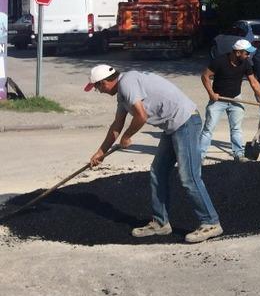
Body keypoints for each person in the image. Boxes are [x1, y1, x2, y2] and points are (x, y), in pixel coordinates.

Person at [86, 64, 222, 243]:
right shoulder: (123, 95)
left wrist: (127, 137)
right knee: (158, 172)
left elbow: (141, 116)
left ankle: (211, 223)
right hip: (172, 127)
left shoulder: (127, 82)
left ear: (104, 83)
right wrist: (101, 152)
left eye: (97, 88)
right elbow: (116, 125)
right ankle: (160, 223)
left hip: (186, 122)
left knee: (189, 177)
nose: (99, 92)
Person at [200, 39, 260, 162]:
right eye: (247, 53)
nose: (249, 55)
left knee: (236, 129)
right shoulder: (219, 61)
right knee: (208, 129)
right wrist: (211, 94)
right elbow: (205, 76)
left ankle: (238, 154)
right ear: (238, 53)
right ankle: (199, 156)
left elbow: (254, 82)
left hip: (236, 99)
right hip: (218, 100)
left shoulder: (246, 63)